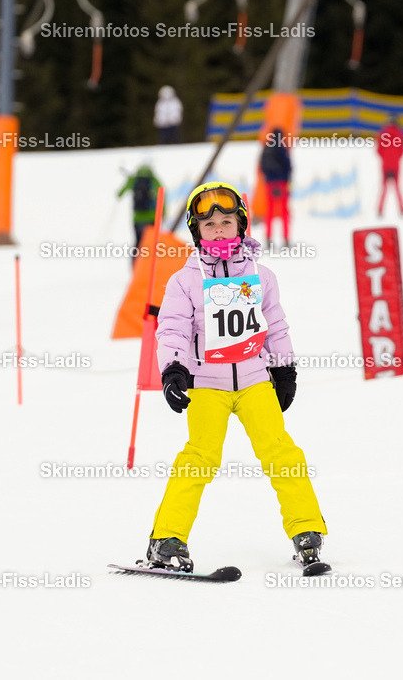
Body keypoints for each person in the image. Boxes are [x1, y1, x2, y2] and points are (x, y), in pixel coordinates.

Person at [144, 181, 327, 573]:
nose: (220, 231)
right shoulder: (184, 281)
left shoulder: (262, 276)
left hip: (255, 379)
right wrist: (173, 369)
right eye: (209, 226)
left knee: (282, 453)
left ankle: (307, 530)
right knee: (198, 459)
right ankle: (166, 539)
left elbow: (275, 326)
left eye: (227, 222)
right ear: (196, 232)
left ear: (242, 225)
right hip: (206, 383)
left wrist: (283, 368)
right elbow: (172, 328)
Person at [117, 163, 162, 267]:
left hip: (137, 219)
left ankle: (135, 267)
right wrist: (162, 214)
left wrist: (130, 181)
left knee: (138, 242)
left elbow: (119, 194)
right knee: (151, 243)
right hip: (151, 218)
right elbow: (162, 194)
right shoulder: (153, 180)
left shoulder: (134, 180)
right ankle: (149, 267)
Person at [259, 128, 292, 249]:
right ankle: (286, 239)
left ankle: (268, 238)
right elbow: (288, 165)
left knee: (269, 212)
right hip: (282, 184)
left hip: (270, 184)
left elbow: (261, 165)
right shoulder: (282, 148)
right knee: (284, 213)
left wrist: (269, 178)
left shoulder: (266, 148)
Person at [376, 115, 403, 217]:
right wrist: (396, 158)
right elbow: (402, 151)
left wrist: (385, 158)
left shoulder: (383, 134)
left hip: (385, 165)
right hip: (396, 165)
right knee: (397, 188)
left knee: (384, 188)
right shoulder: (400, 134)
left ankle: (380, 210)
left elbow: (378, 150)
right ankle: (402, 210)